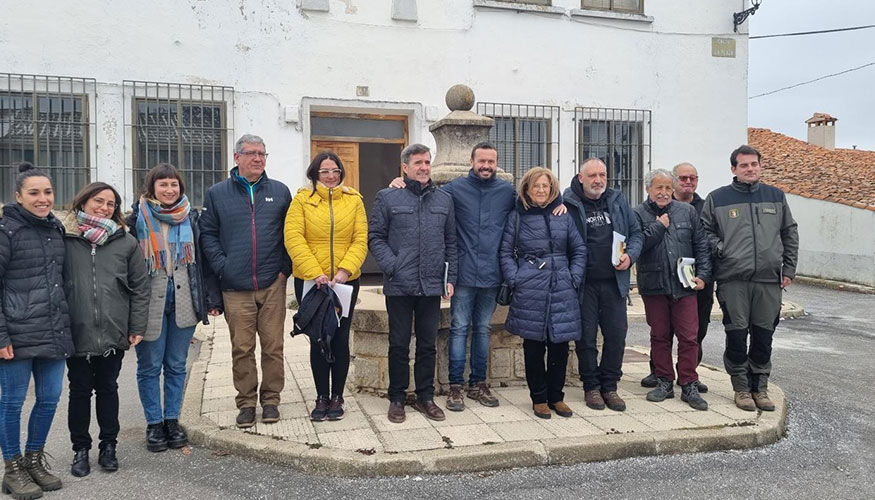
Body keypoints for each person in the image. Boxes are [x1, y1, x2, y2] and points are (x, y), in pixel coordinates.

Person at [200, 134, 292, 428]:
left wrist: (284, 269)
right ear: (236, 157)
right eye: (251, 153)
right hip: (235, 286)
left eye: (262, 154)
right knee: (242, 347)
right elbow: (208, 235)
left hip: (272, 283)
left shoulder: (279, 192)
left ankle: (271, 401)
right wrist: (223, 267)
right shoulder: (217, 193)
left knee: (273, 346)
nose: (258, 159)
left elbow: (291, 233)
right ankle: (247, 402)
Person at [129, 163, 221, 452]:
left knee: (176, 365)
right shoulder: (136, 219)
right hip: (148, 302)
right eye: (163, 185)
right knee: (149, 366)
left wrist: (211, 299)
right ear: (151, 187)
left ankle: (172, 420)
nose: (169, 190)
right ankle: (154, 424)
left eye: (174, 185)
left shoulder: (191, 218)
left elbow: (204, 262)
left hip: (184, 300)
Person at [702, 145, 798, 412]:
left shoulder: (775, 196)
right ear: (734, 169)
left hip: (768, 281)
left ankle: (760, 387)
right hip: (733, 280)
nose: (750, 169)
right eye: (743, 165)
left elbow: (790, 232)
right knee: (736, 335)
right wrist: (723, 250)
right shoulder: (718, 198)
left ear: (760, 166)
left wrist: (788, 269)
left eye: (754, 164)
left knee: (764, 336)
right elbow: (705, 231)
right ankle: (742, 388)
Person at [64, 182, 150, 476]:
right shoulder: (66, 238)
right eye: (98, 201)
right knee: (78, 391)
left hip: (113, 330)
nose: (103, 208)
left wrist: (136, 325)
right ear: (83, 202)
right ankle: (80, 449)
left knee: (108, 389)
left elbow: (140, 287)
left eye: (110, 204)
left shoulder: (125, 241)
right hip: (75, 331)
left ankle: (108, 446)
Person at [368, 143, 457, 424]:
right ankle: (397, 398)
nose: (424, 167)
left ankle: (425, 397)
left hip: (431, 285)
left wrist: (450, 277)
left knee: (428, 345)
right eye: (418, 163)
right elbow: (376, 238)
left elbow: (451, 242)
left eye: (427, 162)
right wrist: (393, 266)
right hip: (400, 285)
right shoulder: (387, 197)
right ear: (405, 167)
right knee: (398, 344)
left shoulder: (444, 199)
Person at [0, 162, 73, 498]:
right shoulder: (6, 231)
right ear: (18, 196)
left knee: (48, 400)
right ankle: (12, 468)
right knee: (12, 403)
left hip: (52, 331)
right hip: (16, 333)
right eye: (34, 193)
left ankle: (33, 459)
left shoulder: (55, 228)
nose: (43, 199)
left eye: (47, 192)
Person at [284, 152, 368, 422]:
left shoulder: (355, 201)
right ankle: (321, 396)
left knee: (341, 339)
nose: (331, 176)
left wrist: (345, 271)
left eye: (335, 171)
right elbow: (294, 238)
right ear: (314, 174)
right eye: (325, 171)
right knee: (319, 339)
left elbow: (360, 239)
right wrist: (315, 273)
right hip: (312, 282)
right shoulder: (301, 201)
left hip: (345, 282)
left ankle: (338, 397)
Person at [499, 167, 586, 419]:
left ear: (552, 189)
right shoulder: (516, 217)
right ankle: (539, 398)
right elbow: (505, 252)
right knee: (534, 346)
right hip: (530, 288)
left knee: (560, 345)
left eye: (545, 186)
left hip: (562, 287)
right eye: (535, 186)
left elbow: (579, 250)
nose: (540, 190)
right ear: (527, 188)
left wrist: (574, 277)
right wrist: (516, 279)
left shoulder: (563, 215)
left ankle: (556, 397)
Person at [563, 158, 643, 412]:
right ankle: (592, 387)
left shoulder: (617, 200)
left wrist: (630, 256)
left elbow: (637, 233)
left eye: (602, 175)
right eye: (592, 176)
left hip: (614, 282)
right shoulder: (567, 203)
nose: (598, 180)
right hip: (583, 284)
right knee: (585, 338)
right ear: (580, 178)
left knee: (616, 336)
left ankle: (610, 386)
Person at [633, 169, 711, 410]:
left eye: (668, 188)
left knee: (689, 337)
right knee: (659, 336)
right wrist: (658, 227)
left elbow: (701, 245)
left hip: (684, 285)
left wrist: (703, 275)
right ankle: (664, 380)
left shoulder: (686, 212)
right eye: (659, 188)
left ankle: (689, 382)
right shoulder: (637, 214)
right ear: (648, 189)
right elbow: (637, 247)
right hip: (654, 285)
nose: (664, 193)